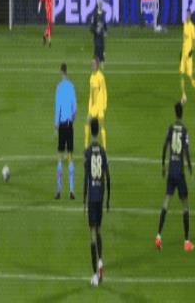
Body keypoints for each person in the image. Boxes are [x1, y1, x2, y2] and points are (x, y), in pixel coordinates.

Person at [155, 102, 194, 252]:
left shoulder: (171, 128)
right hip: (180, 172)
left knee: (166, 202)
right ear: (182, 113)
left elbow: (165, 147)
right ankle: (186, 241)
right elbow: (186, 151)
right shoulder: (184, 130)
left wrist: (163, 165)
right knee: (185, 205)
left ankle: (158, 236)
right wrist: (190, 168)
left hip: (171, 170)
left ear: (175, 113)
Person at [83, 118, 111, 286]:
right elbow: (108, 177)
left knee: (92, 235)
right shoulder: (103, 151)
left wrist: (84, 201)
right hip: (100, 196)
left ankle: (95, 274)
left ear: (90, 130)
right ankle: (100, 261)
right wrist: (107, 199)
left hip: (92, 197)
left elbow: (86, 178)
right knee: (99, 230)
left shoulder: (87, 152)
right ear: (98, 130)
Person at [54, 63, 77, 199]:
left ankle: (58, 190)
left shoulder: (59, 88)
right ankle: (71, 190)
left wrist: (56, 126)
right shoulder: (71, 87)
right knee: (70, 157)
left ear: (61, 72)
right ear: (67, 72)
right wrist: (71, 120)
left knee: (59, 157)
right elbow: (75, 110)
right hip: (69, 126)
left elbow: (57, 108)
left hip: (62, 126)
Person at [84, 57, 108, 150]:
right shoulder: (91, 77)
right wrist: (90, 107)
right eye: (92, 64)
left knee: (102, 126)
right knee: (87, 122)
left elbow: (104, 91)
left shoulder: (101, 77)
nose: (92, 65)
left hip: (100, 106)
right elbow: (91, 94)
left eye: (94, 64)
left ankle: (104, 148)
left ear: (97, 65)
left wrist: (104, 106)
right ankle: (86, 147)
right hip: (94, 107)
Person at [180, 10, 195, 104]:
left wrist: (191, 51)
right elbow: (184, 40)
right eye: (186, 14)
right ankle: (184, 96)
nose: (187, 16)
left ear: (190, 16)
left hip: (189, 56)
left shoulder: (192, 27)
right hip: (183, 55)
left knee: (190, 76)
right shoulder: (184, 24)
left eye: (188, 15)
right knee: (181, 74)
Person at [90, 1, 107, 68]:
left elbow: (104, 23)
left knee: (101, 48)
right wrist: (95, 30)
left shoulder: (103, 14)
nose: (100, 6)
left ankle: (101, 62)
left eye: (101, 5)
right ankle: (95, 63)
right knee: (97, 48)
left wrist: (105, 31)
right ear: (98, 5)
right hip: (96, 36)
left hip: (101, 35)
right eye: (99, 4)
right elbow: (91, 27)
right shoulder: (94, 15)